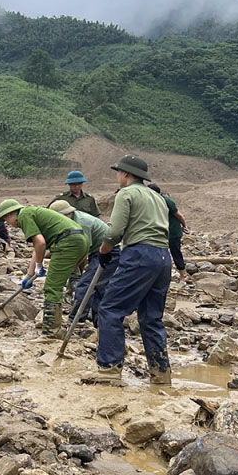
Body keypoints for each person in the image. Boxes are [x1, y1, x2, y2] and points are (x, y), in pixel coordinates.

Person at [87, 155, 172, 386]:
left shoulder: (126, 193)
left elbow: (115, 231)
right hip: (163, 257)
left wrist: (104, 251)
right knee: (151, 318)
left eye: (118, 172)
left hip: (139, 254)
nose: (117, 176)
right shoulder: (158, 197)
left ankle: (109, 369)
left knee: (110, 308)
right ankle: (161, 374)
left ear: (125, 173)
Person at [0, 199, 89, 339]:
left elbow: (40, 244)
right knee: (61, 283)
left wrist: (39, 266)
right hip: (80, 241)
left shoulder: (23, 216)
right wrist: (29, 275)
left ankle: (51, 333)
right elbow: (37, 248)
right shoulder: (33, 213)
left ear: (11, 214)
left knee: (52, 287)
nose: (8, 223)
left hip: (67, 242)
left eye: (6, 219)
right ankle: (61, 325)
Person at [49, 200, 120, 327]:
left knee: (86, 285)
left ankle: (76, 320)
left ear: (68, 214)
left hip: (108, 252)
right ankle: (99, 321)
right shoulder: (70, 221)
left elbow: (83, 251)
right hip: (98, 251)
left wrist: (73, 267)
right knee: (98, 286)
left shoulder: (82, 224)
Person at [149, 184, 191, 283]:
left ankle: (183, 274)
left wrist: (184, 226)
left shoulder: (166, 200)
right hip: (161, 231)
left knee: (175, 252)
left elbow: (179, 215)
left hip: (173, 231)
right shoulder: (152, 201)